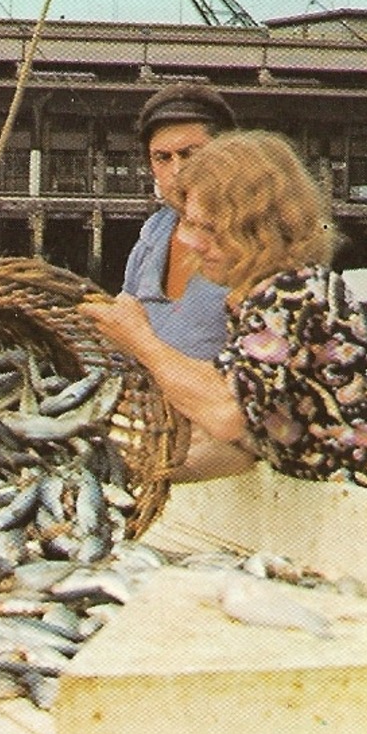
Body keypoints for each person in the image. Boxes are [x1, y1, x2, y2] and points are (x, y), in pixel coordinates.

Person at [82, 129, 367, 500]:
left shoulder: (292, 293)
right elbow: (243, 434)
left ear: (259, 229)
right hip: (326, 502)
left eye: (208, 228)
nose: (191, 241)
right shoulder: (257, 294)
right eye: (189, 223)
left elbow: (227, 415)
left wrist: (139, 339)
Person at [121, 83, 254, 480]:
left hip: (224, 433)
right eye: (162, 158)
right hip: (152, 418)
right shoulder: (155, 231)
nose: (176, 170)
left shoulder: (256, 243)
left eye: (190, 154)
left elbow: (244, 412)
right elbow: (123, 323)